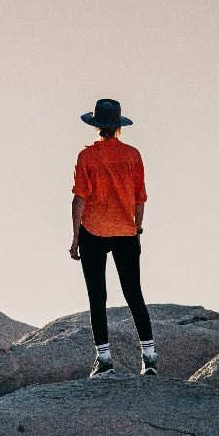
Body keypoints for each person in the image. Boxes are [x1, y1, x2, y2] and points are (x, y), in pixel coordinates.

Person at [68, 98, 155, 377]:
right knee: (134, 294)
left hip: (93, 231)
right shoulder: (133, 155)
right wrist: (137, 229)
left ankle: (105, 362)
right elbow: (140, 199)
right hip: (125, 232)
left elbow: (79, 199)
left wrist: (75, 236)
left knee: (97, 297)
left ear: (96, 126)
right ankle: (150, 357)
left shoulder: (87, 157)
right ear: (119, 127)